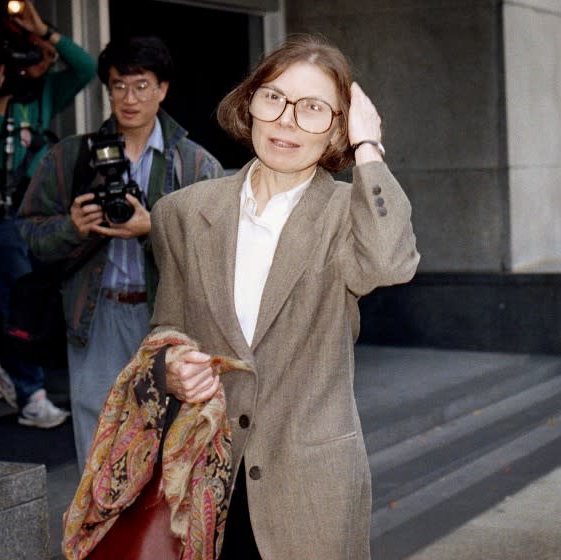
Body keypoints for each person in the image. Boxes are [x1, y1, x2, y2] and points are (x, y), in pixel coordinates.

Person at [149, 33, 420, 559]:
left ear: (338, 126)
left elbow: (392, 262)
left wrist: (368, 148)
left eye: (314, 109)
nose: (288, 120)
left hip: (310, 488)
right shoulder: (181, 213)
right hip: (205, 483)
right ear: (249, 104)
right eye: (273, 98)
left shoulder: (348, 215)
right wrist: (173, 363)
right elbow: (165, 328)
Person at [16, 35, 224, 469]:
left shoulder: (195, 163)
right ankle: (99, 537)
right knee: (98, 447)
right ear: (107, 90)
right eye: (118, 86)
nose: (130, 98)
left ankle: (151, 539)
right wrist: (72, 228)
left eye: (142, 85)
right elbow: (30, 232)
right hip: (97, 316)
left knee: (168, 442)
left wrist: (154, 227)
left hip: (168, 319)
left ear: (162, 89)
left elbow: (222, 252)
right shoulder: (70, 157)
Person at [0, 0, 96, 428]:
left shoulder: (43, 94)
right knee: (19, 295)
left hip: (32, 210)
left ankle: (7, 368)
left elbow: (86, 67)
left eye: (48, 54)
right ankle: (31, 393)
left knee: (38, 295)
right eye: (36, 54)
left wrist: (47, 30)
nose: (47, 60)